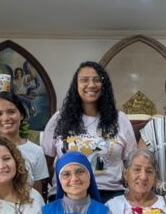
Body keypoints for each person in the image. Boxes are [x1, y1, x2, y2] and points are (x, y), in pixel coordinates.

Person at [41, 61, 136, 202]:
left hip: (109, 196)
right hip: (68, 194)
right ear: (76, 85)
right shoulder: (59, 119)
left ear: (104, 85)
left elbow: (132, 163)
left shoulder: (120, 119)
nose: (91, 85)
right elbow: (45, 164)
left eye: (97, 80)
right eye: (84, 80)